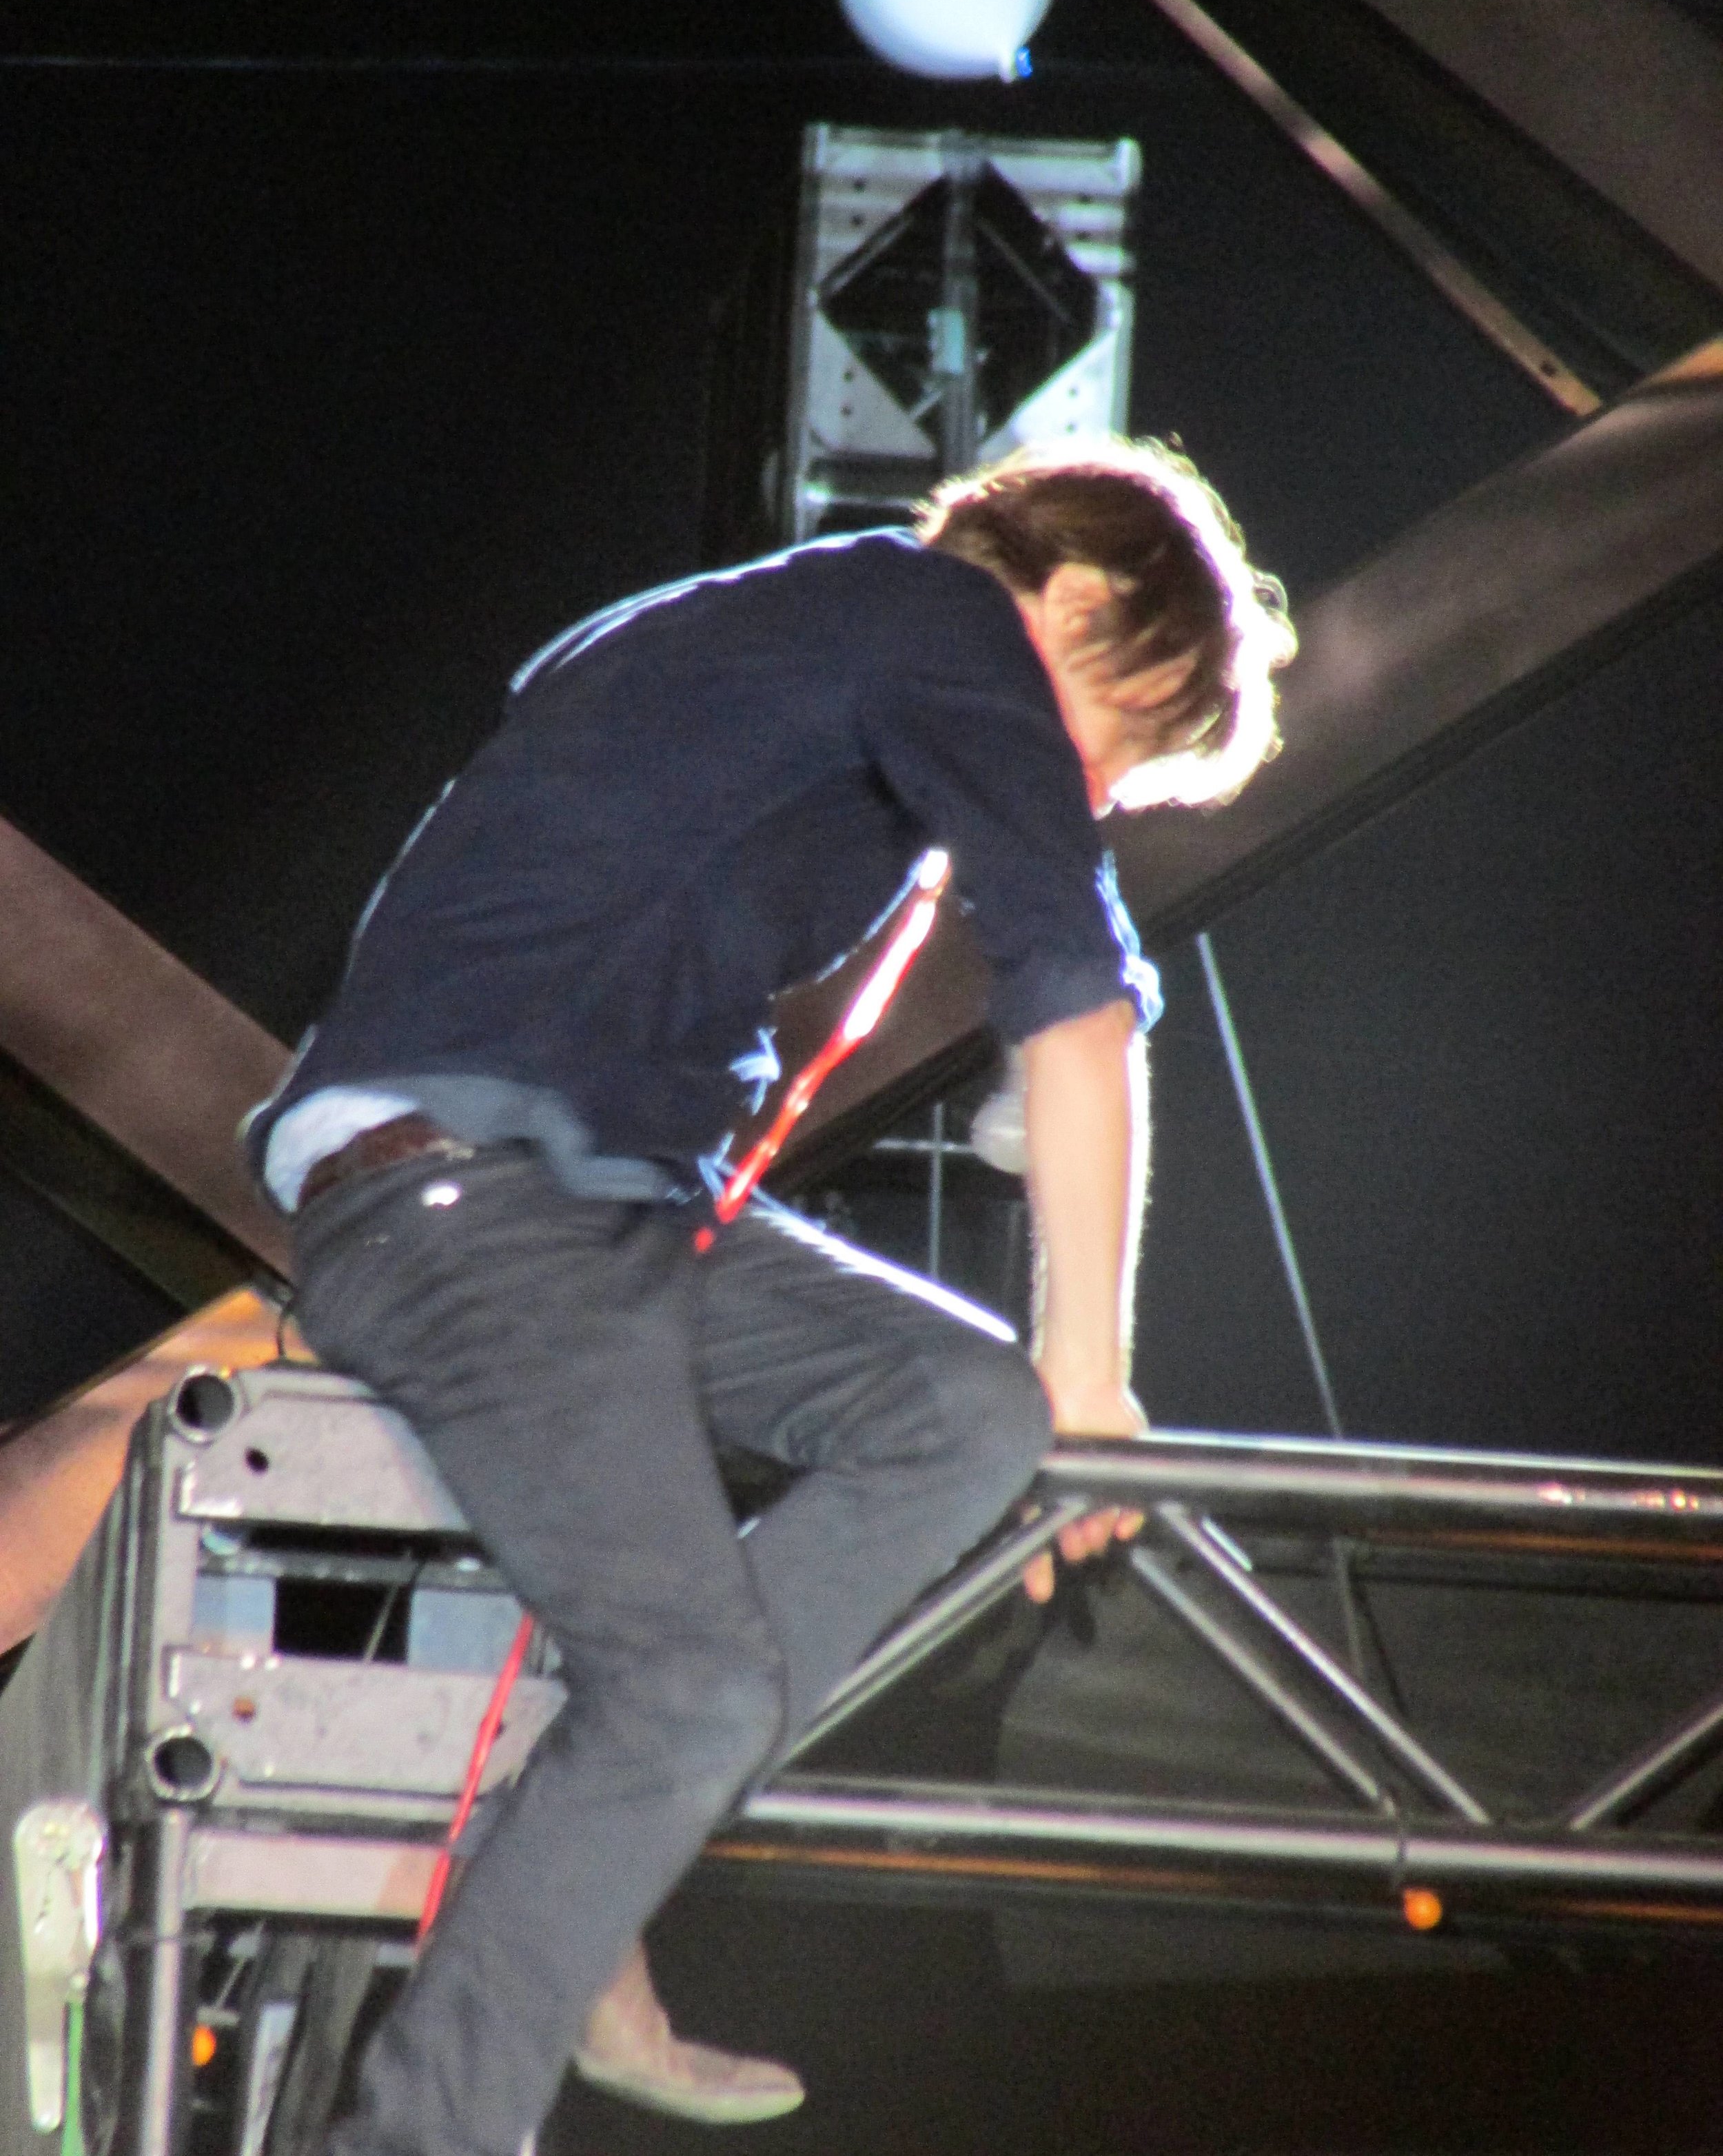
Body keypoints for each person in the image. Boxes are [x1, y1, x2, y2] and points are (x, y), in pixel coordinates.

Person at [243, 436, 1292, 2156]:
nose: (1086, 788)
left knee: (961, 1411)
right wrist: (1098, 1375)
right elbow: (1077, 1000)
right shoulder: (938, 622)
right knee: (704, 1678)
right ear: (1083, 600)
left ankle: (585, 1873)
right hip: (471, 1195)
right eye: (1120, 736)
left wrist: (1046, 1384)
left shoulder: (795, 636)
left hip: (590, 1198)